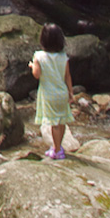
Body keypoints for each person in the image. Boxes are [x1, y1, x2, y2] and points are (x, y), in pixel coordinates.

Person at [29, 22, 74, 159]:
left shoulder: (39, 56)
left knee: (53, 123)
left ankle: (57, 150)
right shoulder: (63, 57)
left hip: (49, 95)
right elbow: (67, 76)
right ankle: (59, 146)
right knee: (62, 121)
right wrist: (71, 93)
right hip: (62, 93)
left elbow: (37, 75)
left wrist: (32, 66)